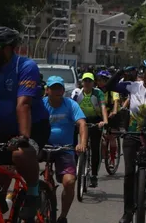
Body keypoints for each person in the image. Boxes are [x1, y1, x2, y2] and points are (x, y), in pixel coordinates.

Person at [0, 26, 51, 220]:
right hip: (4, 129)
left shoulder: (26, 66)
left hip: (33, 127)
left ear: (8, 48)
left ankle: (33, 192)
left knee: (20, 154)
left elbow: (23, 104)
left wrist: (24, 138)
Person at [105, 57, 146, 223]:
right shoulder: (133, 86)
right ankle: (128, 212)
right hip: (133, 133)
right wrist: (121, 72)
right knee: (129, 173)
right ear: (143, 72)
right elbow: (109, 87)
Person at [43, 76, 88, 223]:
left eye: (60, 88)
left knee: (69, 182)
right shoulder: (40, 104)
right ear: (47, 90)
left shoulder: (71, 104)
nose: (57, 91)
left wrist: (82, 143)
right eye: (53, 88)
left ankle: (62, 216)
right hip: (43, 147)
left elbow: (82, 124)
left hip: (65, 149)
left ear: (63, 90)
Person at [71, 72, 108, 188]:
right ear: (82, 82)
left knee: (95, 147)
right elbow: (71, 106)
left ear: (93, 83)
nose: (87, 83)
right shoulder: (77, 92)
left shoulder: (98, 93)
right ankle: (75, 167)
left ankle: (94, 175)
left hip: (95, 121)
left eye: (89, 81)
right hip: (80, 120)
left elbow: (103, 107)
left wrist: (105, 121)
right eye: (85, 81)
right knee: (73, 144)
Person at [96, 70, 121, 169]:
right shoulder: (96, 90)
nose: (99, 82)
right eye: (98, 80)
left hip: (112, 115)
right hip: (101, 115)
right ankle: (102, 153)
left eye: (101, 80)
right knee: (101, 139)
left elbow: (116, 102)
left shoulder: (113, 90)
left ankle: (112, 159)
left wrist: (114, 111)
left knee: (111, 137)